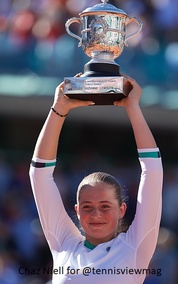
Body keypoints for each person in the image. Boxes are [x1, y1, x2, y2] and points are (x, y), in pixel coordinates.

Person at [29, 74, 163, 284]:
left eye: (105, 206)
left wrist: (133, 107)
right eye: (87, 206)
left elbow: (153, 171)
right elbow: (39, 174)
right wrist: (58, 109)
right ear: (77, 210)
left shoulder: (135, 247)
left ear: (121, 210)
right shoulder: (64, 243)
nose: (96, 214)